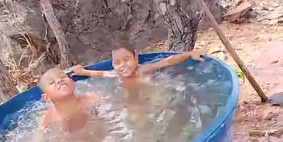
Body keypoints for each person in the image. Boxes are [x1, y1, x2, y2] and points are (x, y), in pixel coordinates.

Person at [71, 43, 204, 89]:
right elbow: (97, 73)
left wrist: (189, 54)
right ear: (112, 65)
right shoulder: (115, 74)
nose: (122, 65)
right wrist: (82, 71)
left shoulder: (142, 70)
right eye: (117, 63)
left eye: (126, 59)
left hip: (151, 95)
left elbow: (167, 61)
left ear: (136, 58)